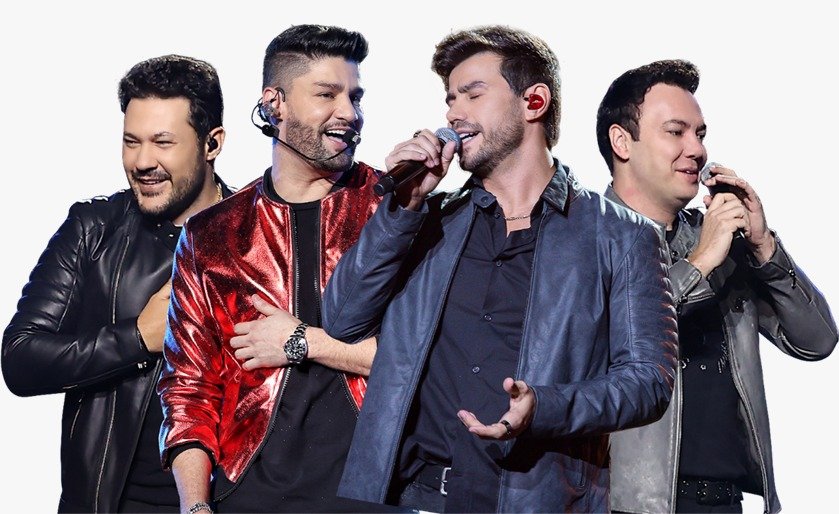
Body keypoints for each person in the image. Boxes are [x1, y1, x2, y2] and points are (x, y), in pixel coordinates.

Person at [320, 25, 678, 513]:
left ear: (534, 102)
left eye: (473, 94)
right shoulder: (426, 222)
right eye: (450, 99)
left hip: (533, 499)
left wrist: (546, 406)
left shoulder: (621, 236)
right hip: (411, 497)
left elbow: (647, 382)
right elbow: (342, 320)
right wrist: (401, 210)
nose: (453, 114)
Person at [157, 24, 396, 514]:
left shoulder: (393, 210)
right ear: (274, 104)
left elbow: (428, 358)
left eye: (355, 97)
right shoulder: (212, 235)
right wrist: (196, 506)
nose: (349, 113)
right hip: (250, 495)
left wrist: (305, 342)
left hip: (376, 490)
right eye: (327, 94)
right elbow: (188, 387)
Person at [597, 59, 838, 514]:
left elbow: (817, 340)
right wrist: (700, 262)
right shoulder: (582, 236)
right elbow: (617, 334)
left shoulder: (722, 242)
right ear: (622, 141)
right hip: (628, 504)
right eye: (676, 132)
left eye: (701, 134)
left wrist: (764, 247)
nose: (696, 150)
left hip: (725, 502)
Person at [1, 54, 232, 513]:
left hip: (226, 501)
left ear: (212, 143)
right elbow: (21, 359)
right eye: (131, 141)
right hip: (107, 504)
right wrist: (137, 339)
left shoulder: (256, 237)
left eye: (163, 142)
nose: (142, 161)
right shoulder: (93, 230)